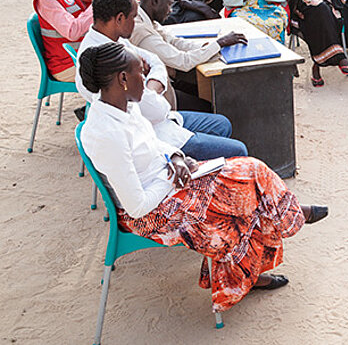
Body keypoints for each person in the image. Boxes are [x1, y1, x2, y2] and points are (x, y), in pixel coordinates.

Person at [79, 42, 329, 310]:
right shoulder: (106, 132)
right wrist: (170, 175)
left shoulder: (124, 106)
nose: (147, 78)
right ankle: (280, 223)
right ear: (123, 79)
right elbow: (136, 206)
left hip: (169, 185)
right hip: (152, 214)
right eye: (142, 72)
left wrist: (176, 157)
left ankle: (260, 249)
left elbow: (153, 145)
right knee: (238, 196)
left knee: (249, 169)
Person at [76, 0, 248, 160]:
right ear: (119, 18)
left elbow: (154, 60)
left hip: (161, 119)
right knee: (239, 150)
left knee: (222, 124)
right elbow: (158, 109)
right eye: (133, 18)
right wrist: (154, 88)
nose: (135, 23)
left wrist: (149, 86)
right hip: (156, 135)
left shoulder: (113, 39)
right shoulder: (103, 60)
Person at [130, 0, 247, 110]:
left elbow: (175, 42)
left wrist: (209, 46)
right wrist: (219, 44)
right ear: (155, 0)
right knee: (211, 106)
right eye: (168, 5)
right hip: (160, 96)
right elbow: (183, 61)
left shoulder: (148, 19)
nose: (170, 10)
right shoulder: (142, 32)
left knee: (205, 90)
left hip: (168, 80)